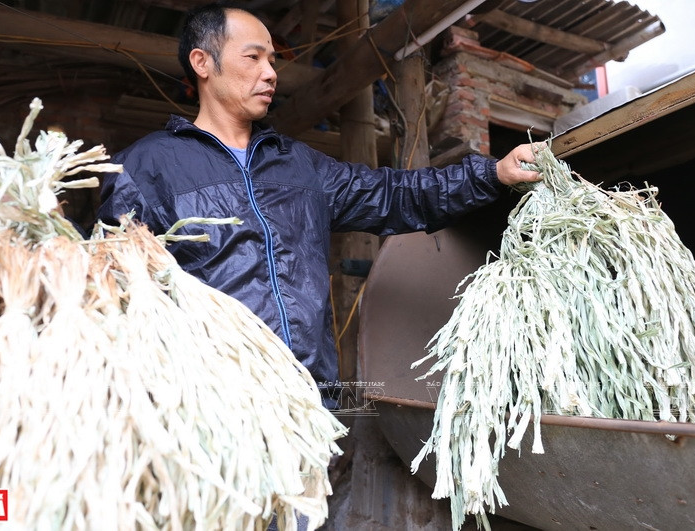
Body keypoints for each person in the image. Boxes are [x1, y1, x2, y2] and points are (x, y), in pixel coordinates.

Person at [96, 4, 544, 409]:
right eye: (253, 58)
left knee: (306, 503)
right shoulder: (145, 167)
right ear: (203, 63)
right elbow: (114, 295)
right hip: (210, 410)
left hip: (307, 402)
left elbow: (393, 194)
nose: (271, 72)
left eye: (272, 60)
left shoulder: (299, 164)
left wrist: (491, 174)